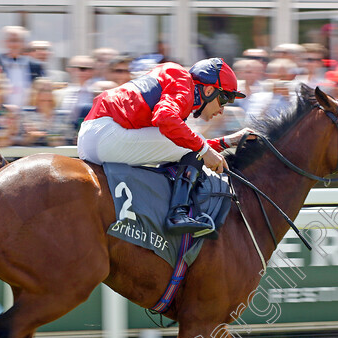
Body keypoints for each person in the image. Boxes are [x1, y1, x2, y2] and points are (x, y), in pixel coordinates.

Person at [77, 57, 251, 235]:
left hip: (94, 134)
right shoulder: (184, 84)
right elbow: (165, 118)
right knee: (195, 143)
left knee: (193, 142)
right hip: (106, 134)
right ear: (208, 90)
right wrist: (204, 149)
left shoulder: (177, 80)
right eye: (224, 100)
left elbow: (177, 142)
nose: (223, 109)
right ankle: (178, 214)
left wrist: (227, 141)